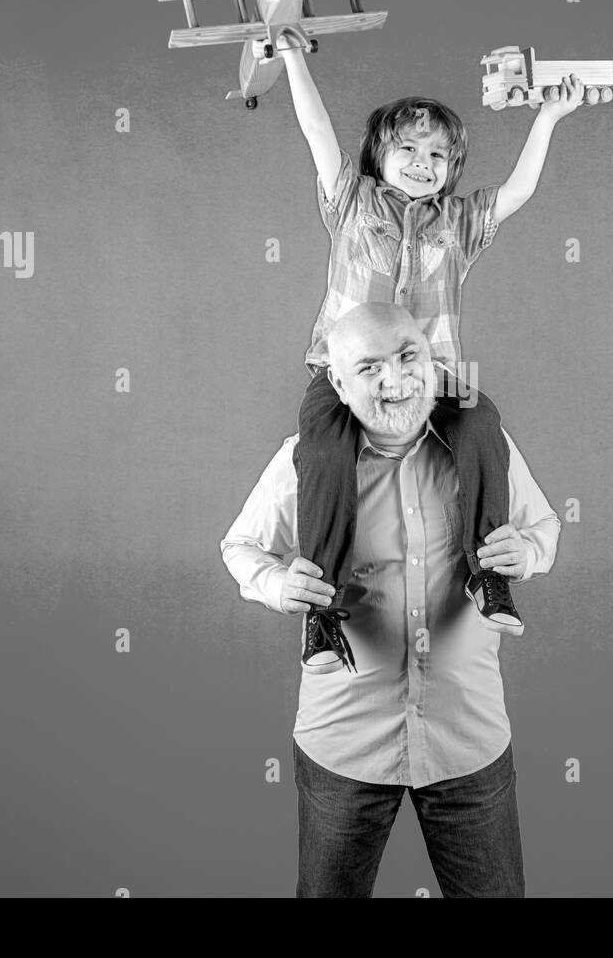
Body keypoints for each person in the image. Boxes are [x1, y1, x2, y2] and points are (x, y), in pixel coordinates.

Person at [221, 302, 561, 897]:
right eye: (370, 367)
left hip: (467, 735)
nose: (396, 381)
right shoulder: (305, 460)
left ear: (433, 358)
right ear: (338, 382)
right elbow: (242, 547)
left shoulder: (485, 446)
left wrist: (524, 554)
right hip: (345, 741)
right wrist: (279, 586)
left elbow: (544, 529)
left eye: (408, 357)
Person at [276, 34, 582, 673]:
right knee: (325, 452)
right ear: (378, 156)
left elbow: (518, 191)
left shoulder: (459, 223)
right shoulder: (351, 203)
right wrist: (293, 59)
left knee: (480, 422)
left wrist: (546, 117)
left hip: (432, 378)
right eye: (408, 148)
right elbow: (315, 128)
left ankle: (486, 574)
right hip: (346, 379)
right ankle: (322, 614)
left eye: (439, 154)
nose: (424, 161)